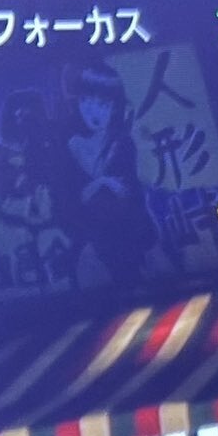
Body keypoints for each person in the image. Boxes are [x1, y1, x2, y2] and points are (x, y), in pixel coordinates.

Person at [65, 64, 157, 285]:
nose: (93, 112)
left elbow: (128, 192)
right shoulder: (72, 145)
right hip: (92, 240)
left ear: (116, 107)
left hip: (130, 235)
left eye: (103, 104)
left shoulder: (123, 143)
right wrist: (102, 182)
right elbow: (72, 200)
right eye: (86, 101)